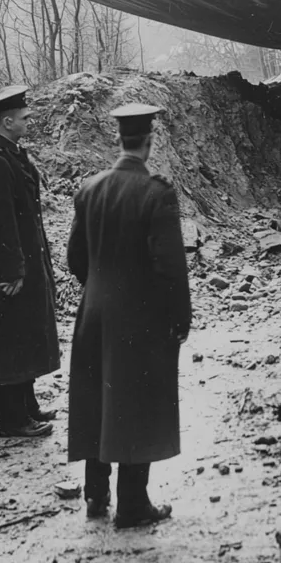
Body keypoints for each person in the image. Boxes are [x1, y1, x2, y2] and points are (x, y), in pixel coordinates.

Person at [66, 103, 192, 528]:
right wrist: (179, 316)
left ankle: (95, 496)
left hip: (93, 313)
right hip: (139, 317)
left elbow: (75, 259)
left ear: (118, 140)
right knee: (136, 403)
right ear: (150, 141)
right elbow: (171, 266)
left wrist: (100, 287)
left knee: (96, 399)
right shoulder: (158, 193)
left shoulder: (89, 188)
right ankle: (133, 504)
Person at [0, 85, 60, 439]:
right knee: (9, 336)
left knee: (24, 330)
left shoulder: (8, 155)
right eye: (24, 118)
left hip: (16, 258)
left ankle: (28, 407)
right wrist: (11, 272)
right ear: (7, 121)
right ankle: (12, 420)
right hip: (2, 263)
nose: (29, 122)